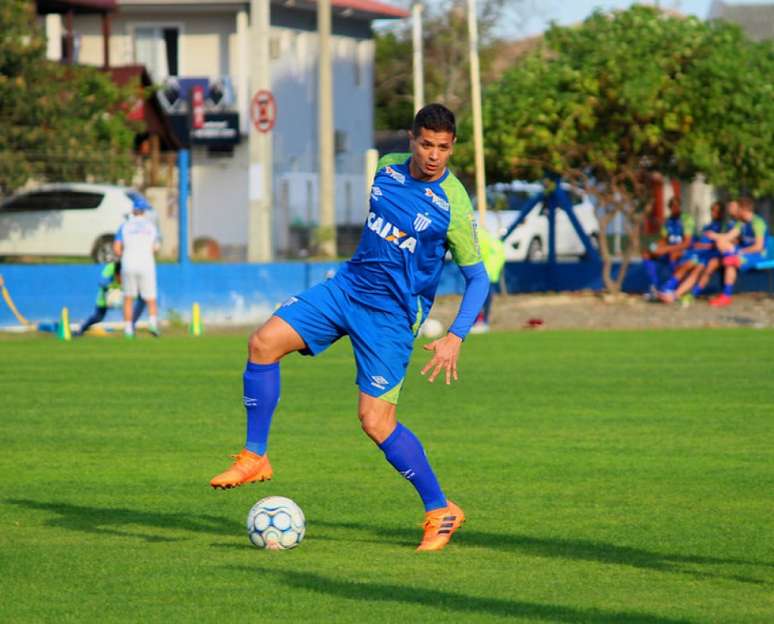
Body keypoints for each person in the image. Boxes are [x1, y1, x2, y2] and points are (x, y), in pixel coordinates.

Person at [209, 104, 489, 552]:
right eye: (426, 144)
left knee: (375, 421)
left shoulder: (453, 203)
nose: (434, 155)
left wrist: (454, 336)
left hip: (391, 317)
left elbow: (479, 277)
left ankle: (441, 510)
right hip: (346, 288)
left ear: (452, 147)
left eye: (443, 147)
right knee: (262, 343)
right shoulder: (386, 167)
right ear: (411, 139)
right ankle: (255, 456)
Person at [658, 201, 725, 304]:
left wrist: (703, 245)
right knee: (684, 263)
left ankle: (682, 294)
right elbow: (699, 241)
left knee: (696, 268)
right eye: (712, 210)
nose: (713, 213)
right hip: (698, 252)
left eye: (716, 211)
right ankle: (668, 289)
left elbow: (722, 243)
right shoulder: (707, 226)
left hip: (710, 254)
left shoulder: (722, 227)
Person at [113, 194, 160, 338]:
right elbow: (156, 247)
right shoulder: (151, 227)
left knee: (128, 297)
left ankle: (128, 329)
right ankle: (152, 324)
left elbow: (117, 249)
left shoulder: (125, 226)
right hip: (146, 264)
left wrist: (125, 255)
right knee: (150, 297)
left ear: (133, 210)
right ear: (144, 211)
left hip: (128, 263)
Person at [709, 197, 768, 307]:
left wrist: (739, 251)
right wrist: (716, 236)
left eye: (737, 208)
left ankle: (726, 296)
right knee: (723, 245)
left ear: (743, 210)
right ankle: (726, 296)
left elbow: (758, 247)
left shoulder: (758, 222)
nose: (735, 211)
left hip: (757, 255)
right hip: (742, 254)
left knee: (730, 261)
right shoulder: (740, 223)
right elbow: (728, 236)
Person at [642, 196, 695, 298]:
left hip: (685, 251)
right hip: (670, 249)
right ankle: (655, 287)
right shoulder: (668, 221)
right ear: (670, 208)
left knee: (673, 254)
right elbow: (664, 240)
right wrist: (654, 247)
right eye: (672, 206)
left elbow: (687, 243)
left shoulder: (686, 219)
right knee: (646, 254)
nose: (675, 208)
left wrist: (666, 249)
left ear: (680, 206)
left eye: (677, 206)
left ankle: (672, 287)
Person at [75, 261, 146, 336]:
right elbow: (101, 283)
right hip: (107, 297)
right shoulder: (110, 268)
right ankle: (82, 329)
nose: (121, 280)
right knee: (98, 317)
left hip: (126, 295)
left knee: (142, 299)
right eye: (119, 277)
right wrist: (111, 290)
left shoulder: (130, 271)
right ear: (116, 274)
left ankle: (131, 326)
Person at [470, 227, 506, 333]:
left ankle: (477, 322)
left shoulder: (481, 237)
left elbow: (480, 253)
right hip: (490, 275)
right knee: (485, 300)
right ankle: (482, 322)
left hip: (482, 274)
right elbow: (500, 259)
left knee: (476, 299)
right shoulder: (496, 243)